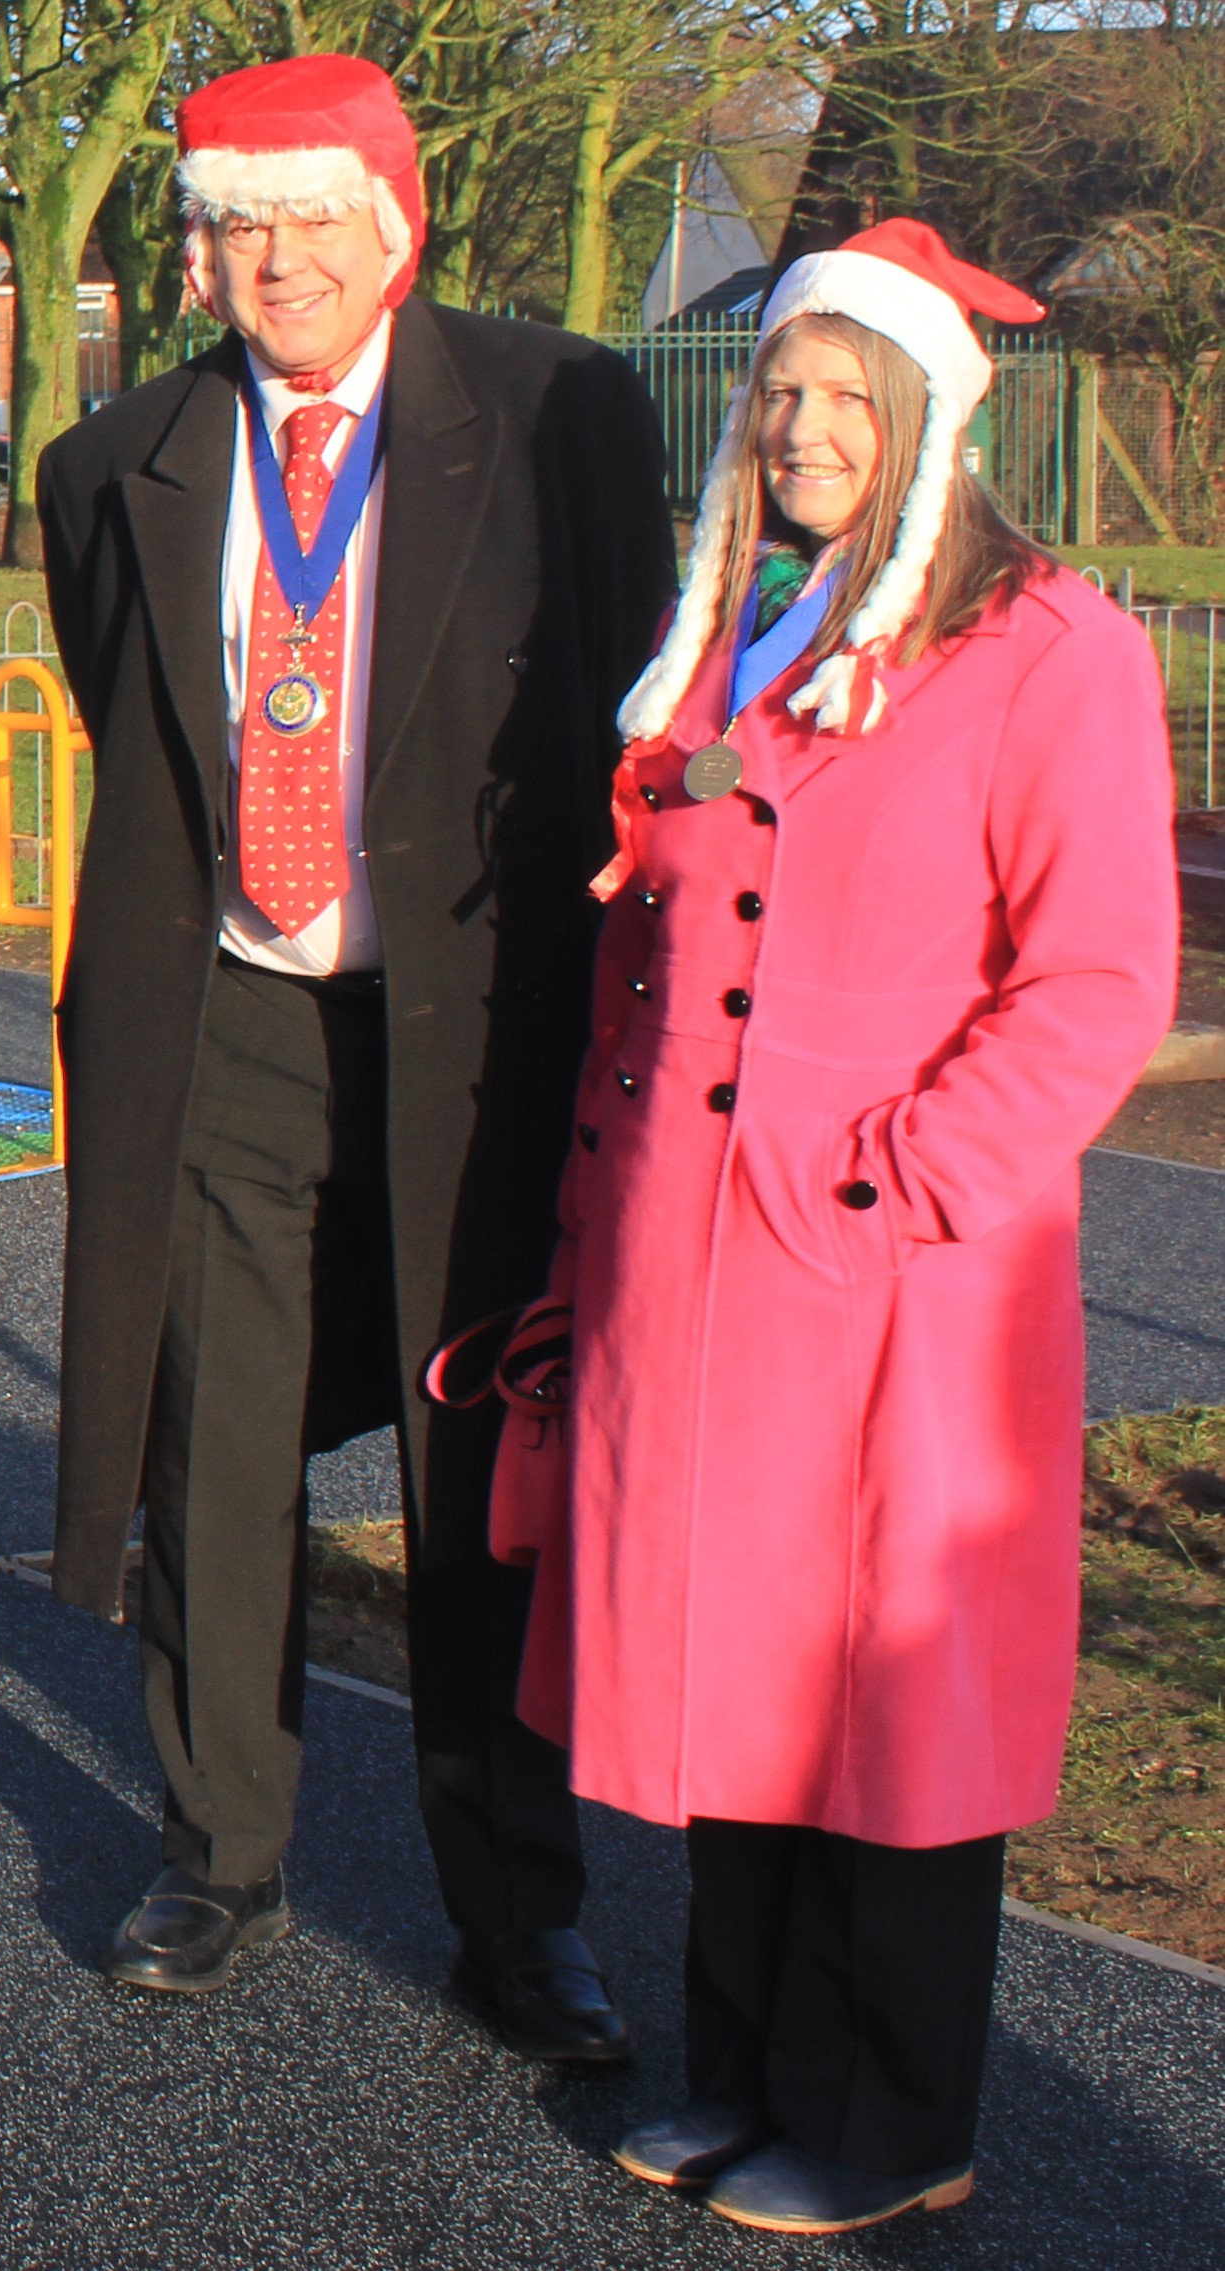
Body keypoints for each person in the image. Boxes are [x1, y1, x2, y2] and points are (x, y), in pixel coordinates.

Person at [32, 54, 678, 2044]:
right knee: (211, 1452)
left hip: (473, 1020)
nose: (276, 259)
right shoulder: (114, 462)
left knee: (475, 1453)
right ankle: (217, 1853)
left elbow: (623, 703)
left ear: (392, 227)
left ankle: (518, 1907)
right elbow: (130, 727)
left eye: (313, 217)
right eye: (236, 223)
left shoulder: (560, 411)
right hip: (225, 1020)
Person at [532, 222, 1170, 2236]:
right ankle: (745, 2075)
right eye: (778, 393)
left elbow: (1095, 981)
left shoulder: (1052, 646)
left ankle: (895, 2123)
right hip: (696, 1266)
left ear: (929, 417)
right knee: (740, 1676)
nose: (799, 428)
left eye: (841, 396)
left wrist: (907, 1181)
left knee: (887, 1710)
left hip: (893, 1281)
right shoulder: (749, 631)